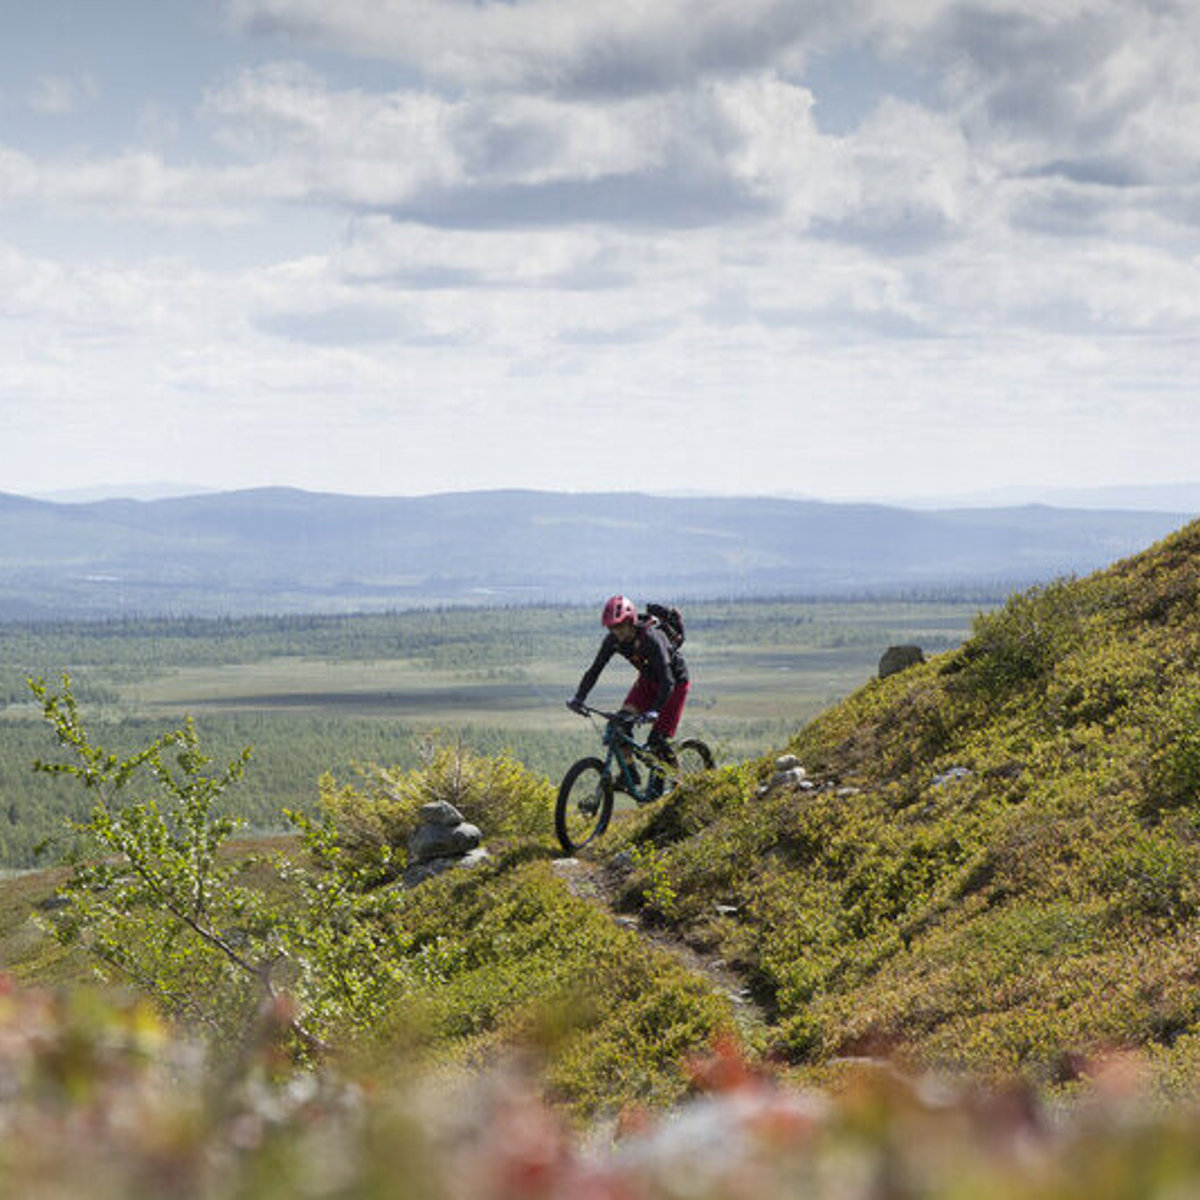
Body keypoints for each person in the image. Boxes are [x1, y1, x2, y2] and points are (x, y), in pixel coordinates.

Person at [567, 595, 690, 793]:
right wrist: (579, 698)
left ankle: (680, 786)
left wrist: (655, 711)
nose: (616, 632)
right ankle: (629, 774)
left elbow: (668, 681)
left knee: (657, 742)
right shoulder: (613, 641)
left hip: (674, 683)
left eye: (620, 626)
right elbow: (595, 669)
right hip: (648, 681)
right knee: (618, 726)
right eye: (612, 628)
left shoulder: (651, 638)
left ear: (630, 621)